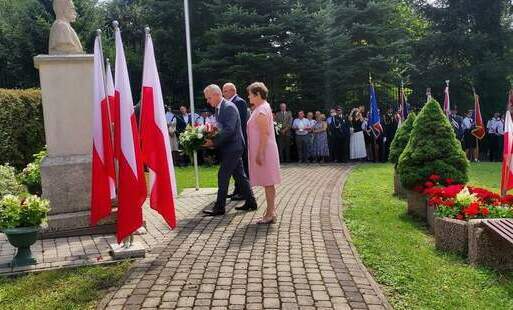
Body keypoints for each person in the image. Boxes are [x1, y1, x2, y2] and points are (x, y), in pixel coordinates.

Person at [202, 84, 257, 216]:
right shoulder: (219, 108)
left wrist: (213, 142)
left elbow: (229, 129)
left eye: (209, 98)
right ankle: (251, 202)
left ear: (216, 94)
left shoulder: (228, 107)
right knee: (240, 176)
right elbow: (221, 128)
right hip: (230, 147)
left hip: (234, 147)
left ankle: (219, 207)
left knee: (223, 175)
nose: (208, 101)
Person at [246, 82, 281, 224]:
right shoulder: (262, 107)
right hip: (266, 149)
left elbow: (264, 134)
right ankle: (270, 211)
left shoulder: (261, 110)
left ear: (258, 94)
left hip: (265, 150)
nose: (248, 97)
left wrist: (260, 153)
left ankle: (270, 213)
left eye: (250, 94)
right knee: (268, 183)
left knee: (268, 182)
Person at [223, 82, 249, 201]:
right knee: (236, 167)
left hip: (238, 140)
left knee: (241, 167)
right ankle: (237, 190)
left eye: (225, 91)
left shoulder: (239, 102)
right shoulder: (231, 102)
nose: (223, 93)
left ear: (232, 91)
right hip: (234, 141)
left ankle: (243, 192)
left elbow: (241, 123)